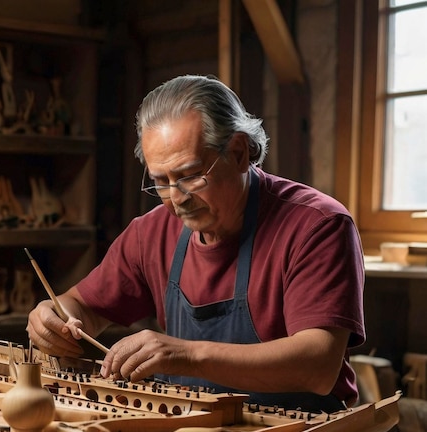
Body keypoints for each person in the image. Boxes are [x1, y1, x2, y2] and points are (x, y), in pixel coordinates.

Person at [27, 74, 365, 413]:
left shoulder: (317, 226)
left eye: (189, 176)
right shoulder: (151, 233)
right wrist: (55, 319)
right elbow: (82, 307)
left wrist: (187, 355)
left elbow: (317, 367)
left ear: (238, 153)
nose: (176, 199)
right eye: (161, 182)